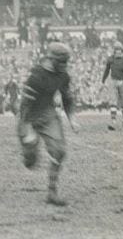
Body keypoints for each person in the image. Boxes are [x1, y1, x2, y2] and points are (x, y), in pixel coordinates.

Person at [17, 42, 79, 206]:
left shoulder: (63, 75)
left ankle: (52, 192)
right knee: (30, 161)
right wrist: (27, 129)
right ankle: (29, 153)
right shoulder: (36, 76)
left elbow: (66, 98)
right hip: (29, 116)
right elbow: (24, 106)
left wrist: (71, 119)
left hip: (48, 113)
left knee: (59, 151)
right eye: (62, 61)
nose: (65, 65)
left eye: (66, 61)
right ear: (52, 59)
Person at [102, 41, 123, 130]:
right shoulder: (110, 59)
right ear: (114, 51)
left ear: (122, 51)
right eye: (116, 50)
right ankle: (113, 121)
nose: (118, 52)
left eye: (119, 50)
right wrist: (103, 80)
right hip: (113, 80)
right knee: (113, 101)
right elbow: (107, 70)